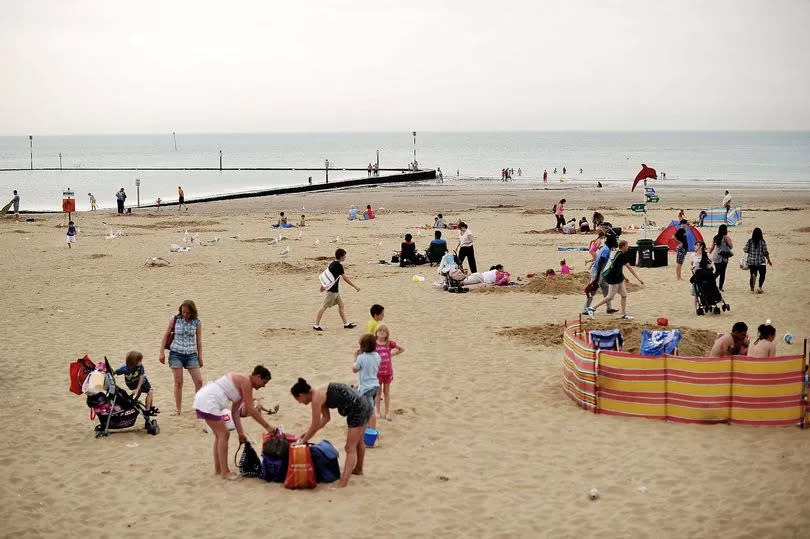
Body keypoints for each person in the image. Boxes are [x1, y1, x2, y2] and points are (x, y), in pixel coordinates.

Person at [194, 366, 275, 479]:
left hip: (206, 398)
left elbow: (235, 412)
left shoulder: (244, 384)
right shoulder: (246, 381)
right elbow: (251, 409)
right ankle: (225, 472)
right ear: (257, 377)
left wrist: (240, 433)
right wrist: (268, 426)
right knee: (224, 434)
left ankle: (219, 469)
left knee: (219, 435)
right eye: (264, 382)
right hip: (209, 399)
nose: (263, 386)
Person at [292, 378, 372, 487]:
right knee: (359, 441)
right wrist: (307, 433)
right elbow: (326, 418)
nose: (300, 403)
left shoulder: (316, 399)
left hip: (358, 408)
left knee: (349, 448)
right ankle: (358, 469)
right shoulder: (319, 392)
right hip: (364, 403)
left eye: (298, 400)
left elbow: (315, 424)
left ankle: (343, 482)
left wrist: (304, 440)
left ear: (301, 395)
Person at [159, 300, 204, 416]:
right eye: (183, 312)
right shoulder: (175, 319)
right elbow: (166, 335)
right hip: (176, 353)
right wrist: (161, 352)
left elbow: (199, 341)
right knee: (178, 382)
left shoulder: (197, 322)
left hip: (191, 354)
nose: (185, 314)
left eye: (188, 313)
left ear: (192, 312)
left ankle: (198, 407)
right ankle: (178, 409)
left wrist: (200, 357)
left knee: (199, 381)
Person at [587, 239, 644, 320]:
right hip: (613, 278)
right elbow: (630, 268)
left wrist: (624, 278)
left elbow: (617, 267)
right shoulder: (621, 255)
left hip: (619, 278)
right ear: (623, 246)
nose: (628, 247)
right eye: (627, 246)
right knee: (610, 296)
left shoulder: (618, 253)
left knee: (624, 295)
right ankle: (592, 308)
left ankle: (623, 314)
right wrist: (639, 279)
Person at [313, 248, 359, 331]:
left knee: (341, 305)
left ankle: (346, 324)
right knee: (323, 307)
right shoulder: (339, 266)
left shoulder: (332, 263)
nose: (345, 257)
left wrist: (322, 287)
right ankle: (316, 325)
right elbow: (345, 278)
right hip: (332, 292)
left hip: (335, 291)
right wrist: (355, 286)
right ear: (341, 257)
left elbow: (326, 276)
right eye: (344, 256)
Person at [374, 324, 404, 421]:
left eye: (384, 331)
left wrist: (392, 355)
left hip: (387, 372)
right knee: (378, 393)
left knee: (386, 392)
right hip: (377, 373)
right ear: (376, 333)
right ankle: (377, 411)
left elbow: (401, 349)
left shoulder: (389, 343)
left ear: (387, 334)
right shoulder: (374, 343)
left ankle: (387, 412)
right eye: (380, 330)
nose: (382, 332)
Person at [583, 233, 617, 315]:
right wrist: (598, 276)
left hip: (599, 271)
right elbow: (601, 261)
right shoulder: (606, 250)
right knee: (592, 290)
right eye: (615, 241)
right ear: (611, 242)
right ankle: (585, 309)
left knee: (606, 288)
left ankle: (609, 308)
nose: (616, 243)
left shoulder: (606, 248)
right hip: (597, 271)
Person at [353, 334, 380, 429]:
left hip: (366, 388)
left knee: (368, 410)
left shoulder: (361, 358)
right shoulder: (377, 355)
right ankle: (371, 428)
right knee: (371, 407)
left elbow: (354, 369)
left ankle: (369, 430)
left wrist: (356, 358)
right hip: (375, 386)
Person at [743, 227, 773, 294]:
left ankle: (752, 289)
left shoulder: (750, 241)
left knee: (752, 275)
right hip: (761, 261)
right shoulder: (762, 242)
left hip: (752, 261)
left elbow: (745, 250)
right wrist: (769, 260)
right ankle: (760, 287)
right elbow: (765, 252)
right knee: (762, 275)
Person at [689, 242, 714, 313]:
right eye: (695, 245)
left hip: (705, 275)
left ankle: (709, 304)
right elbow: (691, 264)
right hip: (697, 275)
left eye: (697, 245)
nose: (695, 246)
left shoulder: (707, 255)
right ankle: (695, 308)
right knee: (696, 292)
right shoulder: (693, 255)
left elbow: (710, 265)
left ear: (701, 246)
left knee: (707, 290)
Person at [709, 224, 733, 291]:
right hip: (723, 257)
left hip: (716, 256)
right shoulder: (726, 237)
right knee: (722, 273)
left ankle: (710, 282)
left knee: (717, 271)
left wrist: (708, 254)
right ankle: (720, 287)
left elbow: (712, 248)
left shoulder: (715, 237)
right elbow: (731, 246)